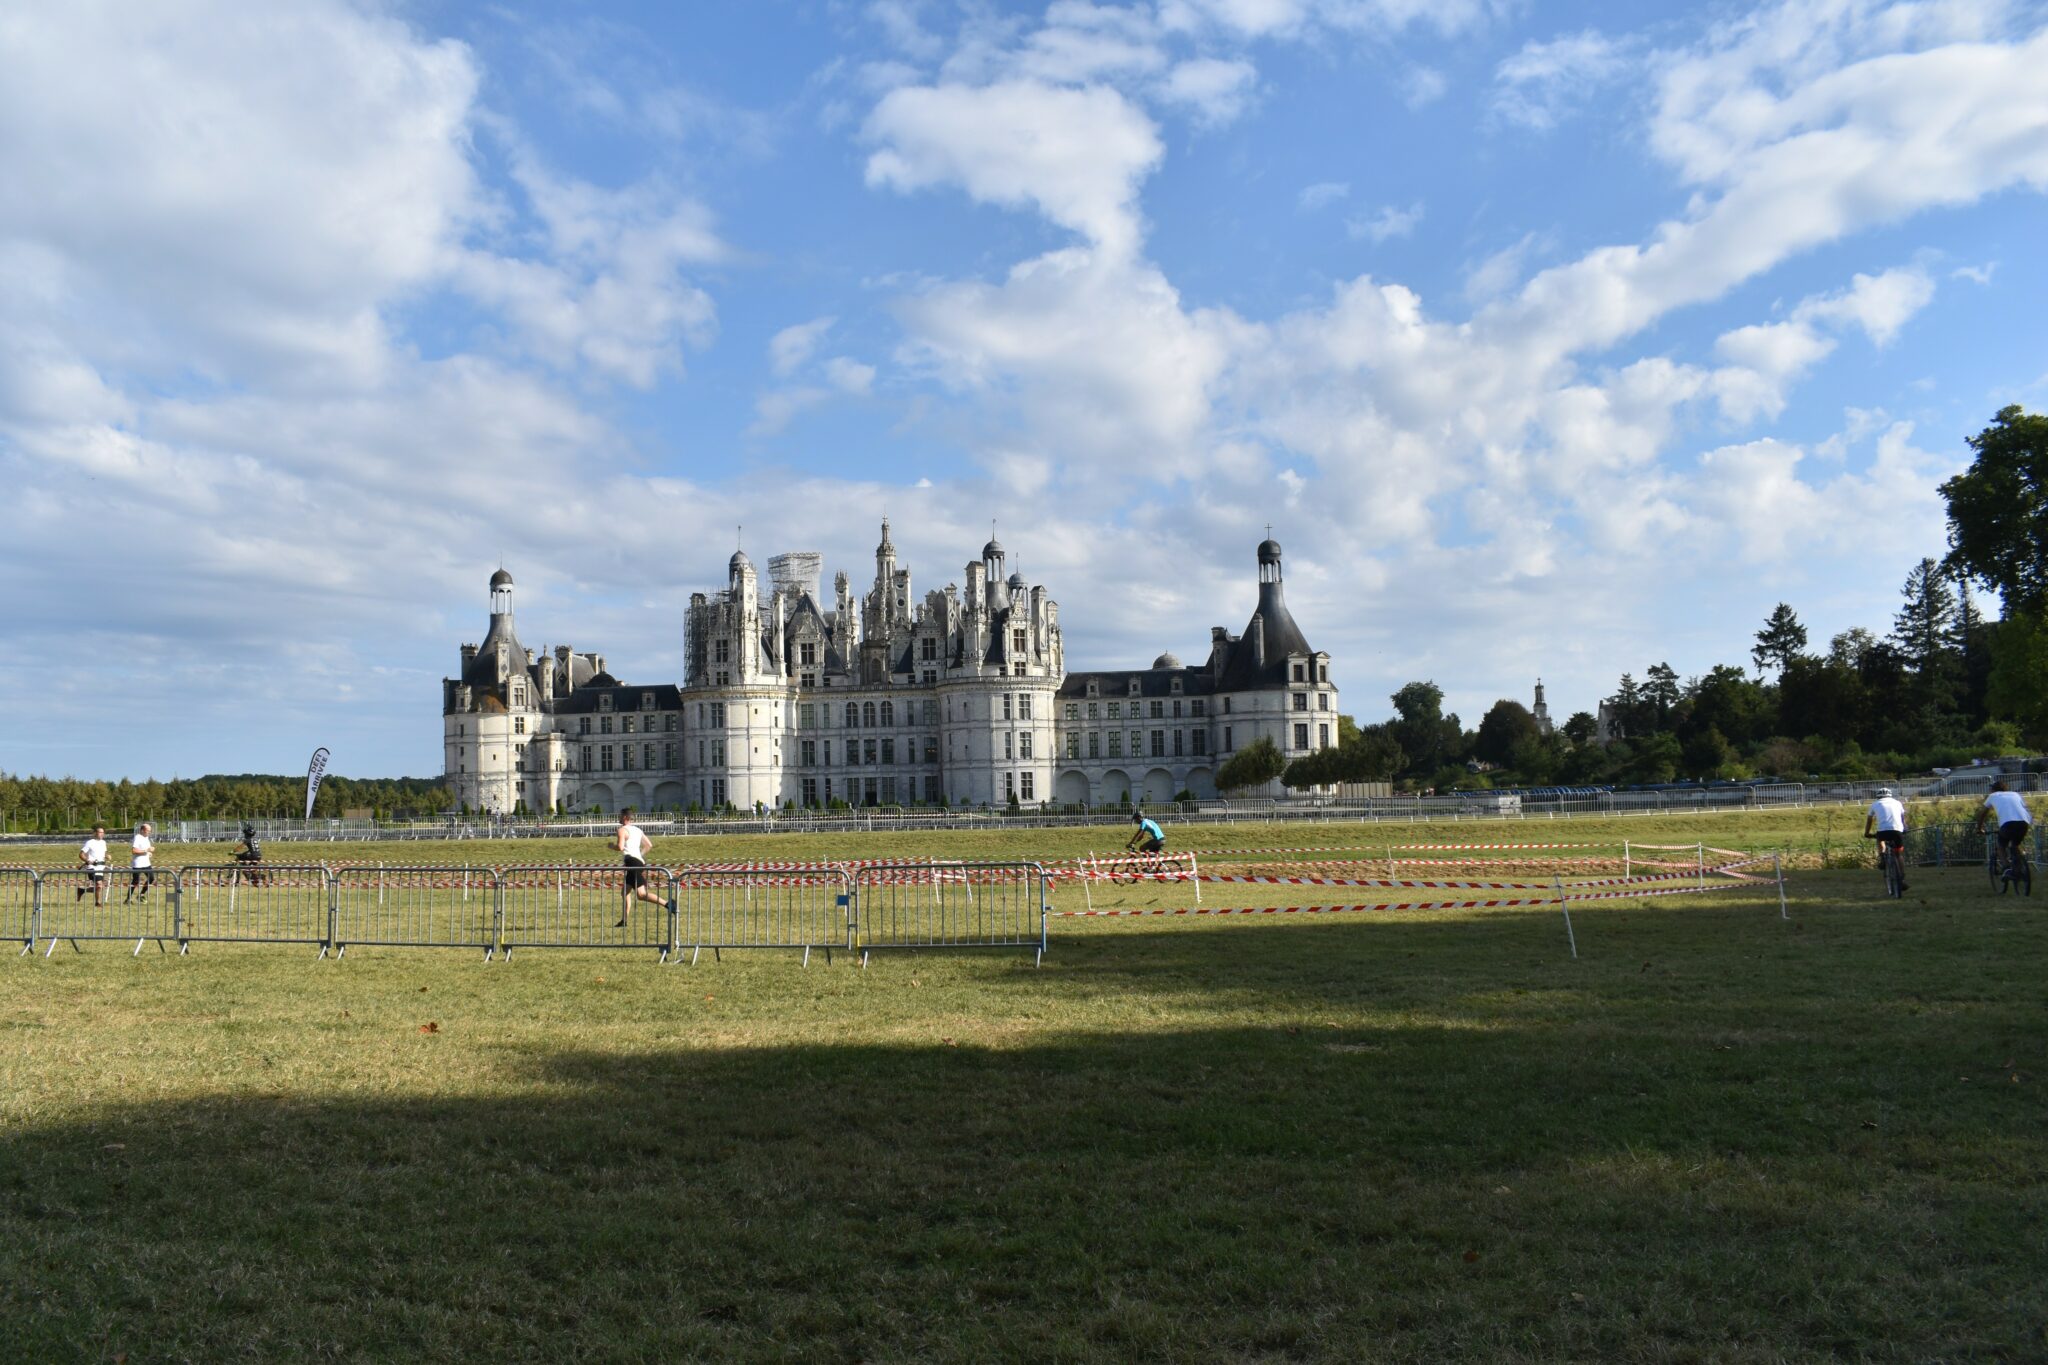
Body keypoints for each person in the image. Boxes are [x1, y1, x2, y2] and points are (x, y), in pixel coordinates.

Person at [614, 807, 665, 927]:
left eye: (620, 815)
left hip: (632, 863)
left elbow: (620, 847)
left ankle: (668, 904)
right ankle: (624, 920)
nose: (618, 817)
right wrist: (639, 856)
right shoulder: (637, 830)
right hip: (638, 862)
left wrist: (611, 846)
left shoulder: (622, 830)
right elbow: (649, 845)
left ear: (625, 817)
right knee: (625, 892)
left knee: (641, 894)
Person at [1974, 780, 2033, 882]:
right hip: (2023, 822)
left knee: (2001, 846)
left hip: (2007, 824)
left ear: (1993, 789)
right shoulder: (2015, 794)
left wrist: (1979, 829)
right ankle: (2020, 863)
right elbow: (2025, 808)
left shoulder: (1993, 796)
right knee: (2015, 845)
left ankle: (2007, 868)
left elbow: (1982, 814)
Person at [1863, 787, 1907, 892]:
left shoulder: (1875, 804)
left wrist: (1867, 833)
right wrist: (1904, 829)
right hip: (1897, 831)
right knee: (1898, 854)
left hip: (1882, 831)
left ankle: (1882, 855)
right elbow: (1902, 819)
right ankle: (1901, 877)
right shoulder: (1897, 803)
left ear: (1878, 796)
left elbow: (1869, 820)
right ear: (1890, 795)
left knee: (1880, 840)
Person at [77, 824, 110, 905]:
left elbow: (103, 853)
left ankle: (82, 890)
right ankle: (97, 903)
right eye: (100, 832)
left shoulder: (103, 842)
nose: (102, 834)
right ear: (95, 833)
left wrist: (107, 856)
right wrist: (87, 860)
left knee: (99, 886)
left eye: (103, 832)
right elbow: (81, 854)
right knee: (99, 885)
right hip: (92, 867)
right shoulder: (90, 842)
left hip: (101, 867)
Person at [124, 822, 156, 903]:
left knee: (151, 878)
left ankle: (141, 895)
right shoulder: (137, 837)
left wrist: (149, 853)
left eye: (150, 830)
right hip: (138, 864)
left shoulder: (147, 839)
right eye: (148, 830)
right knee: (135, 881)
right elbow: (134, 850)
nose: (149, 832)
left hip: (146, 863)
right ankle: (128, 899)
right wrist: (147, 850)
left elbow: (145, 850)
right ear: (142, 830)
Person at [233, 822, 266, 887]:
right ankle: (256, 880)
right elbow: (253, 849)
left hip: (253, 855)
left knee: (239, 856)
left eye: (245, 833)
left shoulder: (248, 840)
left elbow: (240, 847)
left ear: (247, 834)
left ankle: (240, 877)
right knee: (252, 870)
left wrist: (232, 851)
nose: (244, 835)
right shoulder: (255, 839)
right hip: (258, 855)